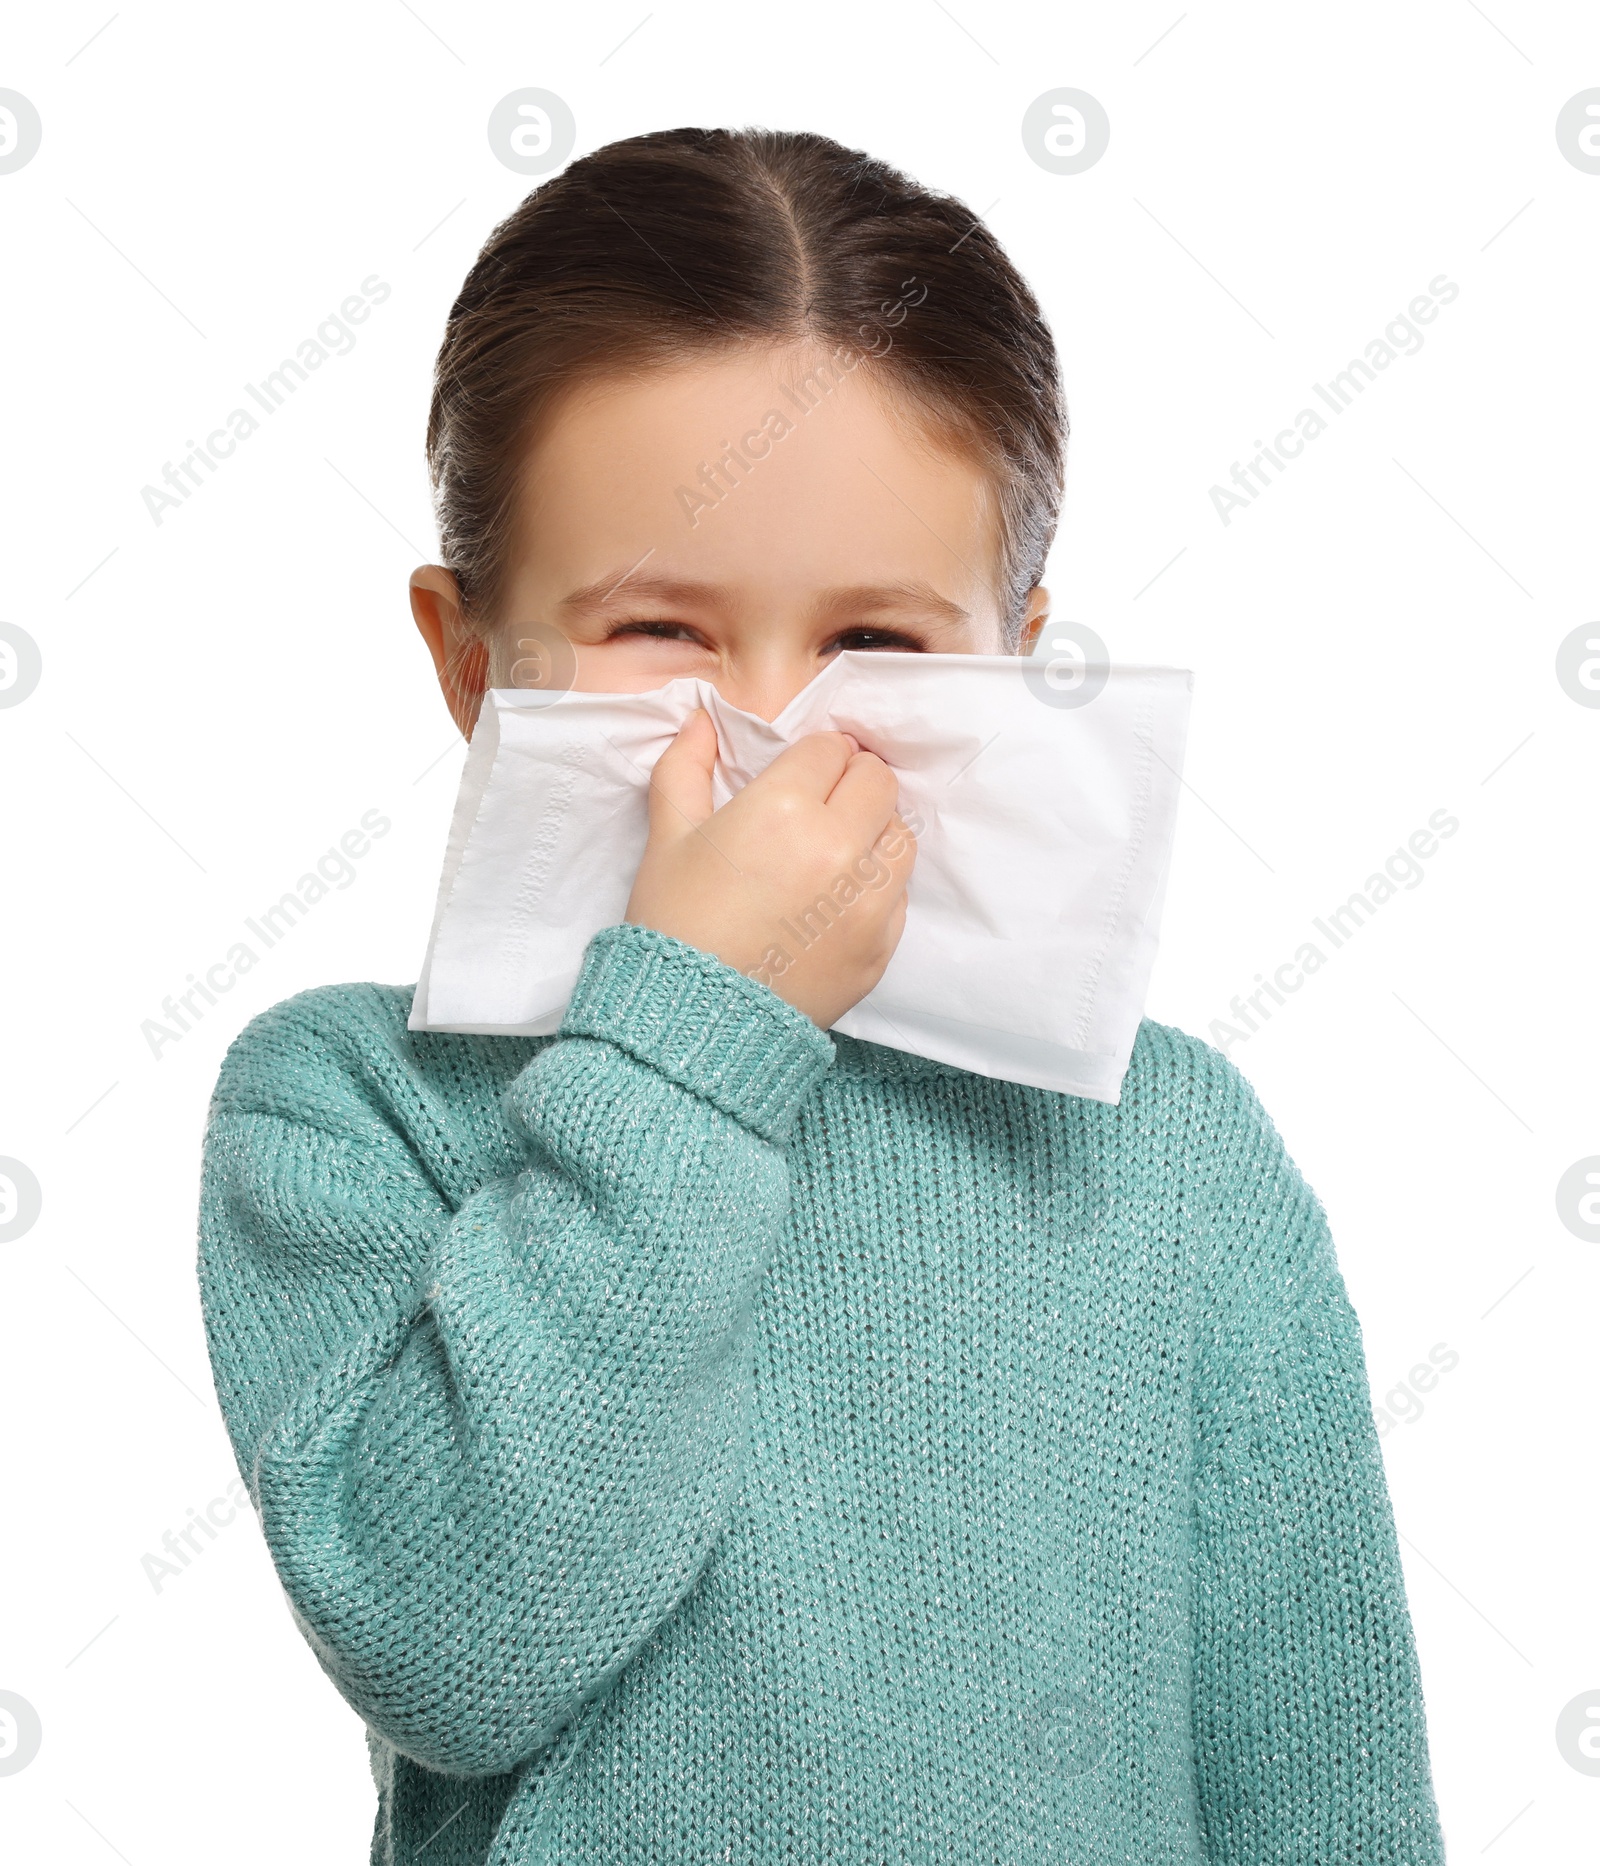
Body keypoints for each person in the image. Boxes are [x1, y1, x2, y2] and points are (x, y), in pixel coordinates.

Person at [197, 127, 1446, 1864]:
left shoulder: (1171, 1148)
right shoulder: (342, 1102)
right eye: (662, 631)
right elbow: (451, 1644)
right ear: (470, 658)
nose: (775, 730)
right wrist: (692, 1032)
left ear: (1015, 653)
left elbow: (1327, 1788)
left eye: (877, 642)